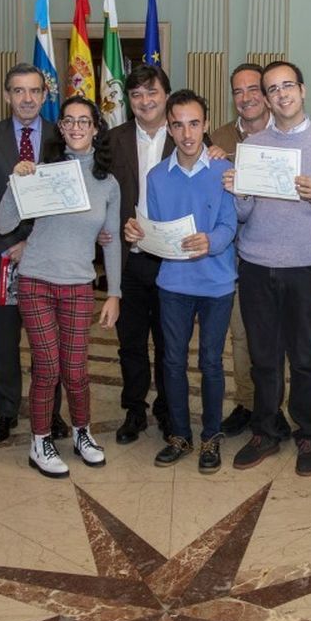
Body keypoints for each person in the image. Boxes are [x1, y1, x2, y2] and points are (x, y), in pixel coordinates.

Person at [225, 60, 311, 477]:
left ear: (302, 90)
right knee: (263, 357)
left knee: (303, 358)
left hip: (306, 267)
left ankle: (309, 434)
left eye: (288, 86)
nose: (281, 95)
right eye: (272, 89)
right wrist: (240, 193)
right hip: (257, 265)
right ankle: (264, 430)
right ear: (265, 98)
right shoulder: (253, 145)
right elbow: (243, 213)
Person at [0, 96, 123, 478]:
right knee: (48, 366)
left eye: (84, 121)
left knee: (75, 368)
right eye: (69, 120)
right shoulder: (41, 171)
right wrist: (16, 183)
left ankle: (82, 433)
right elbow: (4, 224)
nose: (76, 127)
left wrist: (114, 293)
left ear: (96, 128)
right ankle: (40, 440)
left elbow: (113, 239)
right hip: (36, 278)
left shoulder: (108, 183)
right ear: (61, 127)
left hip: (79, 284)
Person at [126, 89, 237, 473]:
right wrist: (138, 235)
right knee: (171, 361)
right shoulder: (157, 177)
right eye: (178, 125)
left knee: (210, 362)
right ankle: (179, 434)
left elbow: (229, 223)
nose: (187, 133)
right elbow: (154, 228)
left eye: (194, 123)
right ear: (169, 129)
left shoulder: (225, 171)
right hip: (172, 284)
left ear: (206, 125)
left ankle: (210, 437)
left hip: (217, 284)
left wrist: (213, 242)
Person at [0, 64, 51, 445]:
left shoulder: (59, 136)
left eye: (34, 91)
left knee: (45, 341)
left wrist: (31, 244)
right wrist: (9, 244)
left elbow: (64, 198)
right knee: (5, 340)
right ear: (6, 96)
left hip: (46, 255)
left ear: (44, 95)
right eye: (18, 91)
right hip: (1, 255)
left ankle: (49, 413)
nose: (27, 98)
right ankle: (5, 412)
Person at [107, 64, 176, 445]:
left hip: (171, 261)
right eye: (136, 95)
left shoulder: (187, 137)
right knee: (130, 342)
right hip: (129, 260)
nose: (145, 101)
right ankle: (134, 409)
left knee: (169, 341)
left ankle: (166, 408)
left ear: (166, 94)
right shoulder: (112, 139)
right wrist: (117, 227)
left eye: (152, 92)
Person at [208, 63, 270, 438]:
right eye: (238, 91)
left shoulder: (285, 136)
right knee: (241, 335)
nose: (245, 97)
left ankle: (273, 405)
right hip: (233, 255)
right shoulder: (218, 138)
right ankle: (247, 403)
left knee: (275, 337)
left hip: (277, 252)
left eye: (253, 89)